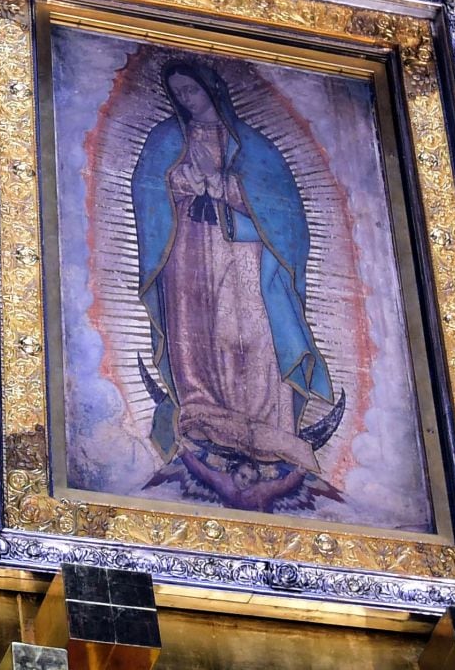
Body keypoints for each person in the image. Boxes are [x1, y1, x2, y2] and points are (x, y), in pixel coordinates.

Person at [131, 60, 334, 478]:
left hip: (243, 251)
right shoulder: (166, 138)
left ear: (211, 88)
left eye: (193, 90)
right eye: (180, 93)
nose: (187, 99)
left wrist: (226, 192)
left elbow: (283, 212)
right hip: (186, 248)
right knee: (197, 329)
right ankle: (203, 410)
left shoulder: (253, 145)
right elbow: (148, 190)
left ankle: (267, 422)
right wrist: (179, 184)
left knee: (249, 330)